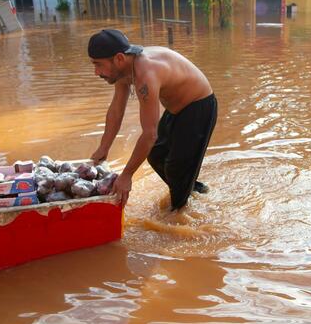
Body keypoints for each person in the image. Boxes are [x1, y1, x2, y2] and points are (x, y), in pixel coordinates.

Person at [88, 28, 217, 210]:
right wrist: (104, 147)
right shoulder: (122, 70)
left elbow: (149, 134)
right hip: (176, 109)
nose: (96, 72)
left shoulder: (145, 74)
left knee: (176, 169)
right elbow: (117, 110)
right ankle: (192, 189)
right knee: (156, 154)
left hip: (199, 106)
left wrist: (126, 175)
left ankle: (179, 218)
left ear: (118, 58)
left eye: (98, 64)